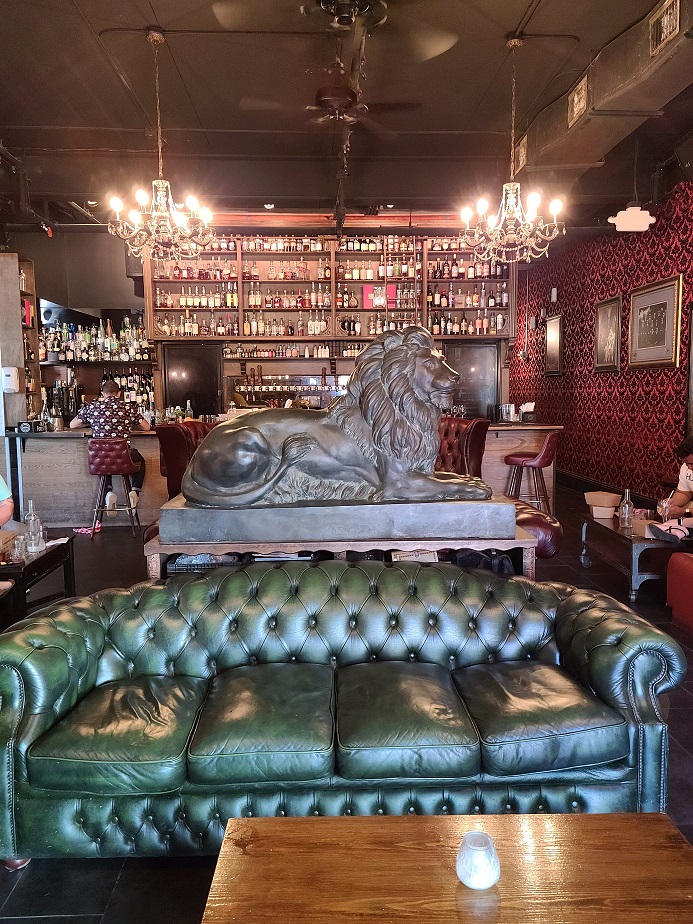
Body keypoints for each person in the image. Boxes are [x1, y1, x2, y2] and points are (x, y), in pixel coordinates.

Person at [70, 379, 150, 528]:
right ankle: (134, 492)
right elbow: (146, 427)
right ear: (119, 393)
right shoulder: (128, 407)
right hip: (124, 457)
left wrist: (92, 421)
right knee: (140, 460)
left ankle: (108, 493)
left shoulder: (92, 407)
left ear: (102, 394)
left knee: (104, 460)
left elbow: (72, 424)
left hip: (99, 458)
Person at [649, 435, 693, 544]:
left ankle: (680, 530)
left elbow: (686, 511)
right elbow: (684, 493)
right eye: (686, 463)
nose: (689, 467)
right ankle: (675, 529)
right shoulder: (686, 468)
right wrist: (671, 503)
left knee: (683, 519)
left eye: (691, 463)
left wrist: (684, 512)